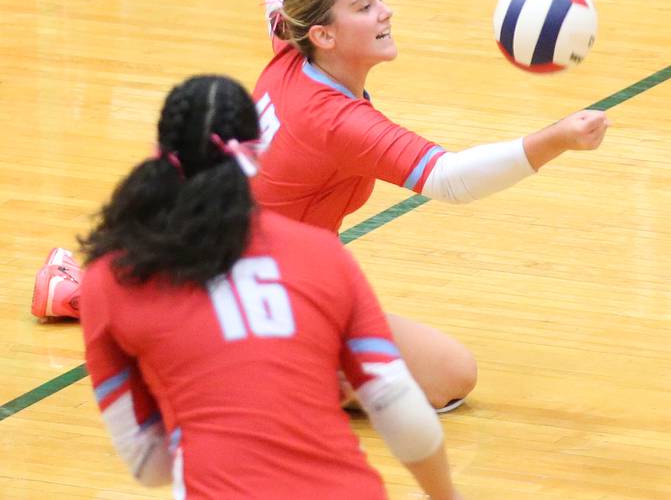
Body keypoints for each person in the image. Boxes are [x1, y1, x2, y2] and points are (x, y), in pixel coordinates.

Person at [34, 0, 610, 413]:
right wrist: (554, 139)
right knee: (450, 378)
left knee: (427, 373)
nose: (386, 11)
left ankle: (142, 304)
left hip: (224, 252)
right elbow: (450, 180)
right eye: (366, 6)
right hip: (256, 282)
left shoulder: (291, 42)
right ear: (325, 35)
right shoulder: (337, 120)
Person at [77, 74, 462, 500]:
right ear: (258, 152)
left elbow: (148, 466)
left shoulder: (111, 278)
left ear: (160, 154)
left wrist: (210, 414)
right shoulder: (321, 253)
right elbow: (399, 408)